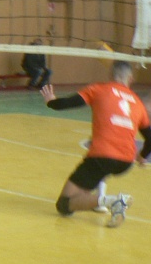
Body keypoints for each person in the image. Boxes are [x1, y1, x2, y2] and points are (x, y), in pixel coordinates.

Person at [42, 61, 150, 228]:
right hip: (126, 161)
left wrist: (51, 101)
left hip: (101, 157)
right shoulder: (137, 102)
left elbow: (68, 103)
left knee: (64, 205)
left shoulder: (98, 89)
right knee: (83, 192)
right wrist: (142, 156)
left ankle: (114, 201)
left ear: (110, 75)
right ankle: (101, 202)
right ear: (131, 79)